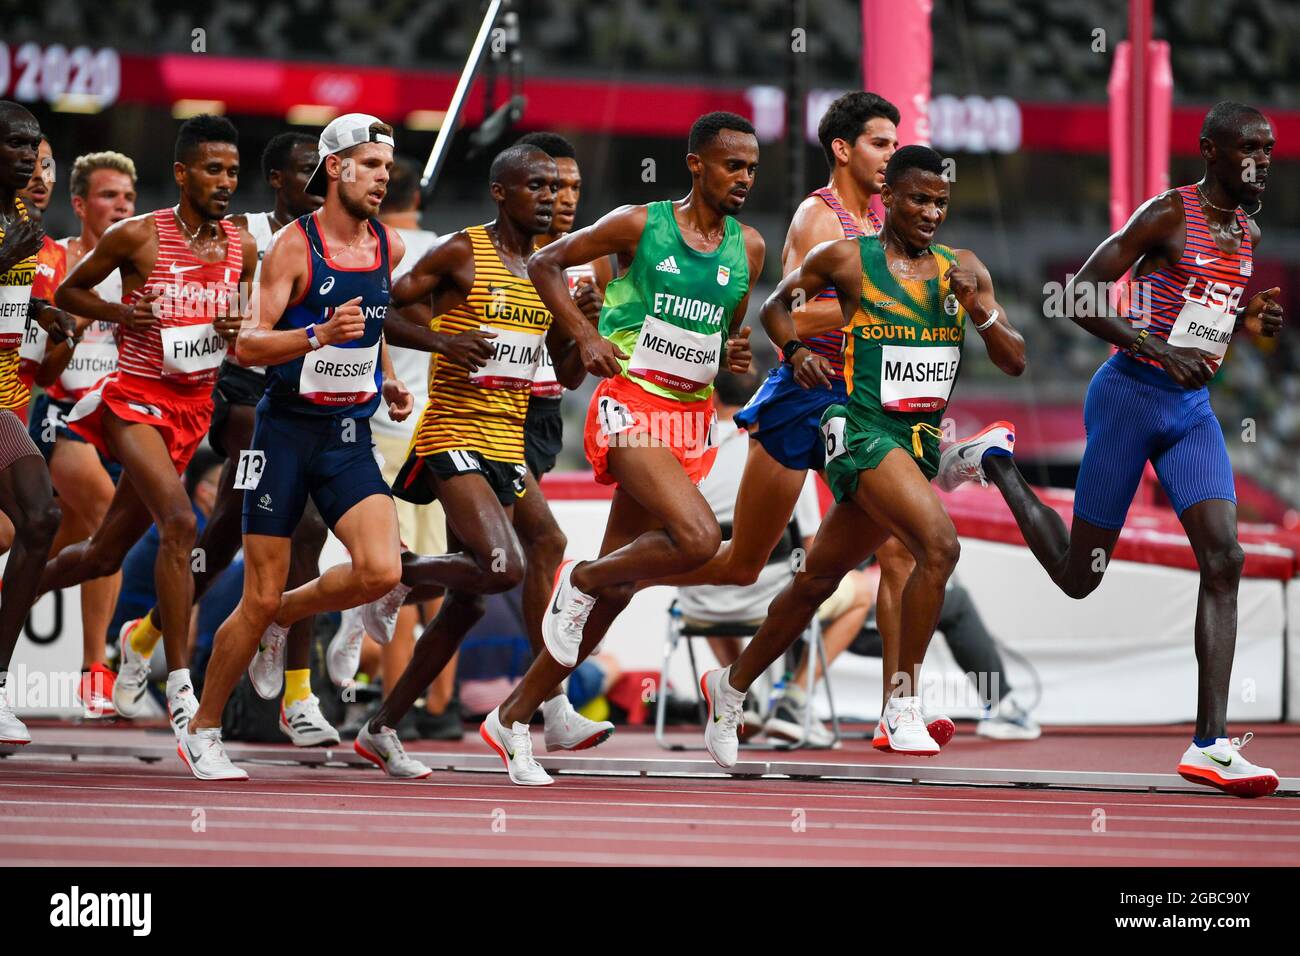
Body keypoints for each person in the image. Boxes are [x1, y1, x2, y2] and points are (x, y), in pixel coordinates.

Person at [939, 102, 1283, 797]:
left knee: (1226, 556)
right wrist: (1156, 349)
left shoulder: (1246, 230)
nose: (1262, 162)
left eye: (1269, 149)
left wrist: (1249, 322)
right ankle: (996, 462)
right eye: (1248, 149)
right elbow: (1078, 296)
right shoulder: (1167, 216)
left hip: (1188, 410)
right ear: (1209, 152)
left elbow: (1201, 317)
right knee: (1078, 576)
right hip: (1129, 396)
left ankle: (1210, 744)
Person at [638, 91, 955, 746]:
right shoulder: (822, 217)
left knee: (897, 549)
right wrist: (879, 306)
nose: (891, 154)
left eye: (896, 143)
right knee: (743, 565)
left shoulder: (885, 221)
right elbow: (792, 313)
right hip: (805, 398)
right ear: (842, 149)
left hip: (864, 404)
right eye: (880, 143)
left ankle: (900, 709)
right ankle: (613, 577)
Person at [700, 145, 1026, 767]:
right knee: (939, 545)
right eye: (918, 200)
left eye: (940, 203)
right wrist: (796, 354)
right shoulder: (849, 259)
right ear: (890, 199)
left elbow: (1015, 360)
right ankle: (902, 704)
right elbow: (776, 306)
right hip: (860, 431)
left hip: (917, 442)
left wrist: (979, 309)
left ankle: (732, 684)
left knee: (816, 581)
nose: (931, 213)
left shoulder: (965, 268)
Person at [484, 111, 763, 785]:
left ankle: (512, 716)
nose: (745, 179)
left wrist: (733, 351)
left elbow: (725, 331)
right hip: (629, 403)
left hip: (688, 417)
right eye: (733, 165)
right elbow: (548, 262)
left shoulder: (750, 247)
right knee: (697, 538)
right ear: (696, 164)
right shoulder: (640, 223)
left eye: (753, 168)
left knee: (624, 582)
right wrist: (582, 334)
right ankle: (579, 578)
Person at [177, 113, 413, 780]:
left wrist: (388, 380)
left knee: (381, 572)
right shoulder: (291, 246)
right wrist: (316, 338)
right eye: (370, 166)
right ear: (335, 168)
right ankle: (203, 730)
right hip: (281, 433)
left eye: (387, 169)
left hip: (346, 434)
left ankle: (281, 620)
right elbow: (247, 344)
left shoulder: (388, 245)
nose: (380, 179)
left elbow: (372, 321)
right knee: (255, 594)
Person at [352, 141, 587, 783]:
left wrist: (580, 332)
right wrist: (441, 340)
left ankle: (379, 728)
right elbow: (387, 309)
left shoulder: (550, 269)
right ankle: (401, 576)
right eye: (535, 186)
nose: (548, 196)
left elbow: (563, 375)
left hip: (506, 441)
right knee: (505, 565)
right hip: (451, 432)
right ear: (501, 192)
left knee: (473, 599)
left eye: (554, 187)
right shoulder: (463, 250)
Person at [118, 131, 339, 746]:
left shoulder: (338, 237)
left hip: (304, 398)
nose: (317, 185)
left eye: (324, 174)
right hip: (239, 396)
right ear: (276, 179)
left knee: (225, 532)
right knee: (304, 527)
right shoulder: (244, 234)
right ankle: (299, 694)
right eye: (304, 173)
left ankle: (147, 635)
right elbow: (221, 322)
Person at [43, 114, 253, 740]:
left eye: (233, 172)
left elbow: (240, 311)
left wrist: (234, 328)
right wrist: (121, 312)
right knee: (183, 523)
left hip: (193, 409)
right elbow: (70, 296)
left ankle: (18, 594)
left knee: (104, 552)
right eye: (212, 170)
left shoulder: (243, 245)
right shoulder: (139, 237)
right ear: (183, 173)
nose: (224, 182)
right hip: (134, 403)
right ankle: (180, 685)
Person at [675, 369, 877, 747]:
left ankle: (745, 701)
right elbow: (814, 543)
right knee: (861, 592)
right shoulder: (780, 445)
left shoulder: (688, 448)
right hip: (763, 598)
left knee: (718, 575)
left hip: (697, 603)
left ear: (712, 400)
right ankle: (794, 701)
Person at [327, 154, 453, 739]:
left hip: (377, 418)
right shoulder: (445, 248)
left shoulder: (372, 248)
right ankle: (433, 709)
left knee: (399, 580)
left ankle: (391, 713)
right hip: (425, 422)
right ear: (421, 198)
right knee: (427, 584)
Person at [27, 148, 137, 717]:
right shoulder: (50, 259)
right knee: (101, 507)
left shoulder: (142, 262)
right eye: (108, 195)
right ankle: (96, 669)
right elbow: (39, 362)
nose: (121, 205)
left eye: (128, 197)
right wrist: (80, 319)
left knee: (61, 541)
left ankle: (18, 599)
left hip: (119, 416)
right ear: (80, 204)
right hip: (57, 409)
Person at [0, 102, 75, 745]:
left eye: (35, 147)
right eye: (17, 145)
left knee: (42, 518)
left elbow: (17, 297)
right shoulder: (15, 233)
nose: (29, 157)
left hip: (2, 406)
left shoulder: (24, 221)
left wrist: (45, 314)